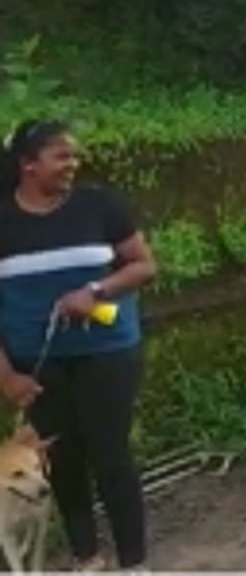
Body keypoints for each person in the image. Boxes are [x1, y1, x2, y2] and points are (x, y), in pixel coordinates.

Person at [0, 120, 158, 570]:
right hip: (37, 359)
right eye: (61, 156)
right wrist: (7, 375)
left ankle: (133, 562)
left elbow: (143, 266)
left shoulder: (100, 206)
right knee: (61, 459)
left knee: (110, 452)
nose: (73, 165)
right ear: (28, 165)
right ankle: (87, 557)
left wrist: (96, 292)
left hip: (108, 351)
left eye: (74, 156)